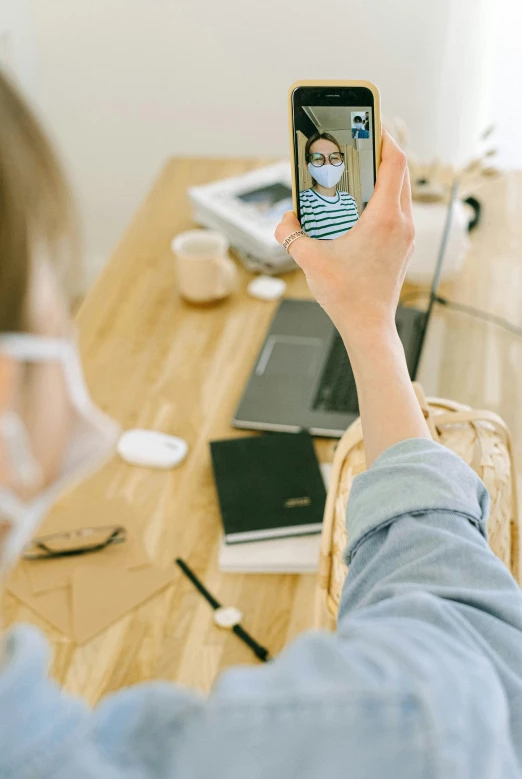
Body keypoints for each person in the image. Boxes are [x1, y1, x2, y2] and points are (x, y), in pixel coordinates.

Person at [1, 67, 522, 779]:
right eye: (58, 292)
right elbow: (472, 657)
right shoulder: (372, 738)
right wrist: (371, 326)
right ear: (9, 391)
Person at [299, 132, 359, 239]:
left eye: (334, 157)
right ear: (307, 165)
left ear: (342, 162)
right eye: (318, 158)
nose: (327, 164)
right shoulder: (300, 204)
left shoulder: (350, 200)